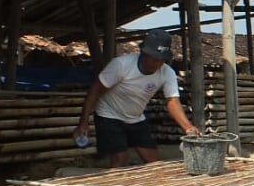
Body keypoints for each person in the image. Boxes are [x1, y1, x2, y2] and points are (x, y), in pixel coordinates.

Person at [74, 29, 200, 168]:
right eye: (154, 59)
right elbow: (95, 90)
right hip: (109, 115)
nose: (157, 64)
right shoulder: (121, 65)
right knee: (120, 159)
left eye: (161, 60)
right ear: (143, 53)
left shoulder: (167, 73)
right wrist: (83, 122)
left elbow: (173, 101)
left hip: (136, 118)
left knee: (153, 161)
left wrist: (188, 127)